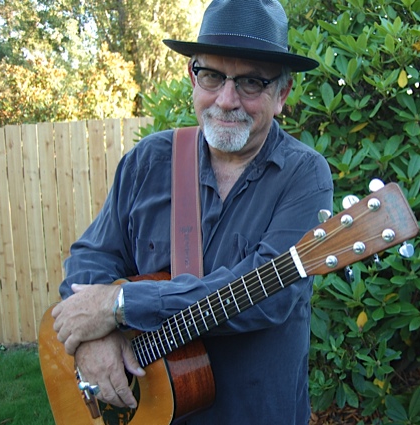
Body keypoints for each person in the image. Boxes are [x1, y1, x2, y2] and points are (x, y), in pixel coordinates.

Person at [50, 0, 333, 424]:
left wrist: (122, 304)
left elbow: (270, 297)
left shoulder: (304, 175)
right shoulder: (150, 160)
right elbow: (95, 254)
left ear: (282, 94)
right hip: (148, 411)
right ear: (192, 76)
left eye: (251, 82)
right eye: (212, 76)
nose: (226, 100)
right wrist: (90, 341)